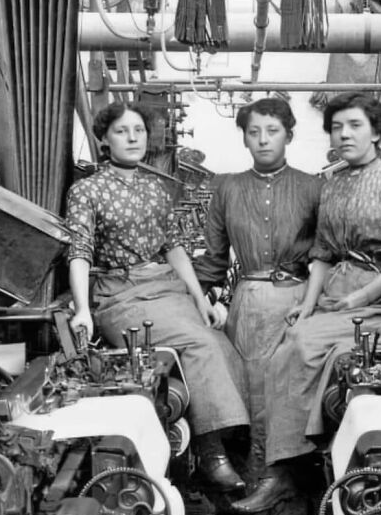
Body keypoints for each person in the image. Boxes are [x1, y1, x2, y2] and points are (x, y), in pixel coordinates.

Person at [65, 101, 250, 492]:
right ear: (103, 139)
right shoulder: (87, 191)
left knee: (222, 340)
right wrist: (83, 309)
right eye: (121, 131)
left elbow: (175, 248)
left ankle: (218, 448)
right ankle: (212, 453)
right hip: (121, 295)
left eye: (139, 130)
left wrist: (201, 300)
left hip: (165, 287)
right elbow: (79, 251)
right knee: (200, 343)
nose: (132, 138)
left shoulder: (156, 189)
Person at [252, 91, 381, 494]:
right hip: (338, 294)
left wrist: (361, 297)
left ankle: (288, 468)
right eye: (336, 127)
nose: (344, 135)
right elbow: (323, 255)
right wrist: (307, 303)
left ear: (376, 133)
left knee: (299, 347)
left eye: (355, 126)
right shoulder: (330, 185)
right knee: (285, 343)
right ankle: (293, 461)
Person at [194, 97, 322, 515]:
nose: (263, 139)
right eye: (254, 131)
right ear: (243, 137)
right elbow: (211, 259)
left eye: (272, 130)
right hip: (246, 306)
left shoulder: (314, 188)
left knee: (289, 422)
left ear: (289, 134)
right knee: (248, 423)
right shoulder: (225, 189)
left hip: (297, 309)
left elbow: (324, 257)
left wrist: (315, 307)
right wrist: (195, 298)